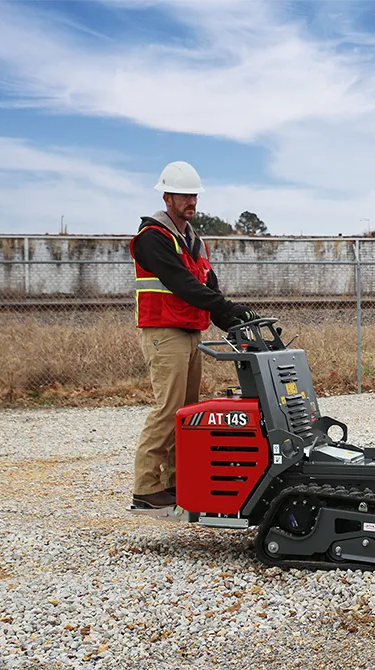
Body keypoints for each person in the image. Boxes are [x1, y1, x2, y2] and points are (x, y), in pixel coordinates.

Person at [128, 160, 258, 510]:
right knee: (168, 408)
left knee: (187, 412)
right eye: (185, 195)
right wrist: (230, 308)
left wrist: (237, 322)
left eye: (195, 195)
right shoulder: (152, 238)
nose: (192, 202)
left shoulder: (194, 242)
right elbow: (184, 286)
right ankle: (146, 485)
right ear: (167, 196)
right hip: (164, 332)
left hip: (189, 332)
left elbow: (207, 290)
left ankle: (173, 482)